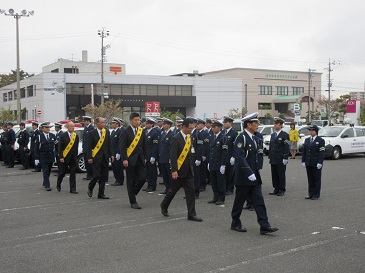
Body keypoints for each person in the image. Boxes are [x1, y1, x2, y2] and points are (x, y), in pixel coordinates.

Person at [231, 112, 278, 235]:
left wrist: (255, 171)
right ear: (248, 124)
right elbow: (239, 157)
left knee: (259, 201)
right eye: (255, 123)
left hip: (254, 176)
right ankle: (235, 222)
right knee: (239, 201)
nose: (257, 125)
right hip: (243, 177)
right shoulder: (241, 138)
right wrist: (248, 172)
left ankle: (264, 225)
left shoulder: (255, 138)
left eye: (257, 123)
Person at [160, 118, 203, 222]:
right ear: (183, 126)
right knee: (172, 191)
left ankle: (191, 214)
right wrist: (174, 170)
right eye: (190, 128)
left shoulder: (190, 137)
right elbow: (173, 155)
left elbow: (189, 154)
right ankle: (164, 205)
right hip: (178, 171)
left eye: (193, 128)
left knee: (191, 192)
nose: (191, 130)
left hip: (188, 170)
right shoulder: (175, 138)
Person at [119, 113, 147, 209]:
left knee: (143, 178)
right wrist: (124, 159)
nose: (138, 122)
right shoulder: (125, 131)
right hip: (130, 160)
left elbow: (145, 145)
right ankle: (133, 201)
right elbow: (122, 147)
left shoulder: (141, 131)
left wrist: (146, 157)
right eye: (136, 120)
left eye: (139, 120)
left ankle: (133, 192)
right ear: (131, 121)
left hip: (140, 159)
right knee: (130, 180)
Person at [87, 117, 113, 199]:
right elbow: (88, 147)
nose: (103, 124)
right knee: (97, 175)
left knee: (104, 176)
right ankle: (90, 186)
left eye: (104, 123)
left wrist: (111, 154)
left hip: (105, 157)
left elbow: (109, 144)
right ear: (97, 123)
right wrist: (89, 157)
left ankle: (101, 193)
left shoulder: (106, 132)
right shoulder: (91, 133)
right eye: (102, 123)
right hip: (96, 157)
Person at [301, 125, 325, 200]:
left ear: (316, 131)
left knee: (316, 179)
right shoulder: (307, 140)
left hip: (316, 162)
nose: (310, 132)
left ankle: (316, 194)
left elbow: (321, 152)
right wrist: (303, 160)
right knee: (310, 179)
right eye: (310, 130)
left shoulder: (320, 140)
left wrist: (320, 162)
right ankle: (310, 193)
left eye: (312, 130)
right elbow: (304, 151)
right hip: (308, 162)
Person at [207, 119, 228, 205]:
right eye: (212, 127)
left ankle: (221, 198)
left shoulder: (223, 138)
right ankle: (215, 197)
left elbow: (224, 152)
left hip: (219, 163)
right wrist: (208, 162)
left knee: (220, 182)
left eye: (214, 127)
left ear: (219, 127)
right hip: (212, 163)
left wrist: (223, 164)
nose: (212, 129)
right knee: (213, 182)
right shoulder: (212, 137)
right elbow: (210, 151)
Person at [268, 117, 290, 196]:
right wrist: (270, 155)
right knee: (274, 174)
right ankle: (276, 188)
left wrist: (285, 157)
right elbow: (271, 146)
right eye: (275, 124)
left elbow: (286, 147)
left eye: (277, 124)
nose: (275, 125)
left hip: (280, 158)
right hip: (274, 158)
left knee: (281, 174)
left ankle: (281, 189)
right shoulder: (273, 135)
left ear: (280, 125)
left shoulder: (285, 135)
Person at [57, 122, 79, 194]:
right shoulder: (63, 136)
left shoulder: (76, 136)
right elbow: (60, 147)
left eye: (74, 126)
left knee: (73, 173)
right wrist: (61, 157)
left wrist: (76, 156)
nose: (73, 128)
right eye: (71, 126)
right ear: (68, 127)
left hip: (73, 158)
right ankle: (58, 183)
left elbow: (76, 147)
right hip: (65, 157)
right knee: (62, 173)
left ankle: (72, 189)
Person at [34, 122, 56, 191]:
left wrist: (56, 154)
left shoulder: (52, 135)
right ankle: (47, 185)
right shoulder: (39, 136)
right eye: (46, 127)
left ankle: (45, 182)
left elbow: (56, 146)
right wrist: (37, 158)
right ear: (43, 128)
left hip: (50, 156)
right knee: (45, 170)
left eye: (49, 127)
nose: (48, 129)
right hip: (43, 156)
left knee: (49, 170)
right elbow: (36, 148)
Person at [222, 116, 238, 195]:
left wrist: (234, 156)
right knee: (224, 173)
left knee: (230, 173)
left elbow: (235, 146)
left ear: (230, 123)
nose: (224, 124)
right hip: (224, 156)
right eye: (224, 123)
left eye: (226, 123)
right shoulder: (223, 132)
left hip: (230, 156)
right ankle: (225, 188)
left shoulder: (234, 133)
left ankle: (230, 188)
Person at [158, 118, 174, 195]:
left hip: (168, 157)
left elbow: (172, 147)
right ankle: (167, 187)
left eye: (165, 124)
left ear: (169, 125)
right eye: (163, 124)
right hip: (162, 156)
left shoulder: (172, 134)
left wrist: (171, 158)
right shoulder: (162, 133)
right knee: (164, 174)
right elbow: (160, 145)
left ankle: (171, 188)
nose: (163, 125)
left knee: (169, 173)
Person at [143, 117, 159, 193]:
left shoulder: (154, 133)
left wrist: (153, 156)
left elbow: (155, 146)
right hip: (146, 155)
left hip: (151, 155)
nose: (146, 124)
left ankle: (153, 186)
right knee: (147, 171)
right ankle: (149, 185)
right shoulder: (144, 131)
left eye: (148, 123)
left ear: (152, 124)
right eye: (146, 123)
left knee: (152, 171)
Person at [191, 118, 204, 198]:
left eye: (192, 123)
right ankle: (190, 192)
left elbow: (200, 147)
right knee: (190, 176)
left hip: (195, 157)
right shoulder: (189, 133)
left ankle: (196, 193)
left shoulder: (198, 133)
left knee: (196, 176)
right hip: (190, 157)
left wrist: (198, 158)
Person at [110, 118, 125, 186]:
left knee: (119, 167)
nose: (112, 124)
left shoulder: (120, 131)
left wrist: (119, 153)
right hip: (113, 153)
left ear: (117, 124)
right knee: (114, 167)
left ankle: (120, 180)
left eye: (113, 123)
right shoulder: (113, 132)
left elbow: (120, 143)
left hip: (117, 153)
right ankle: (117, 180)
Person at [82, 116, 94, 180]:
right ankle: (88, 174)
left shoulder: (91, 128)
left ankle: (91, 175)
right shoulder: (86, 128)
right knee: (86, 162)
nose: (84, 122)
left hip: (89, 148)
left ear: (88, 121)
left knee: (90, 162)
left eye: (85, 121)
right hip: (85, 148)